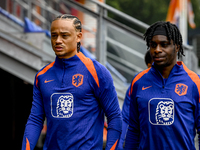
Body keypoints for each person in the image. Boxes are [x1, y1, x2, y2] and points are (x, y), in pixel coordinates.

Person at [22, 14, 122, 150]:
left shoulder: (97, 72)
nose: (58, 40)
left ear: (78, 37)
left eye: (64, 35)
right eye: (54, 35)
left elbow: (115, 117)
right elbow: (35, 119)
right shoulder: (42, 76)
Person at [124, 21, 200, 149]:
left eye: (164, 45)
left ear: (177, 47)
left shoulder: (194, 82)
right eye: (153, 45)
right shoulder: (138, 81)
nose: (157, 50)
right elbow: (133, 130)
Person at [117, 50, 153, 150]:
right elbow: (126, 117)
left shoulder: (181, 85)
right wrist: (119, 144)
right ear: (149, 65)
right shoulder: (137, 85)